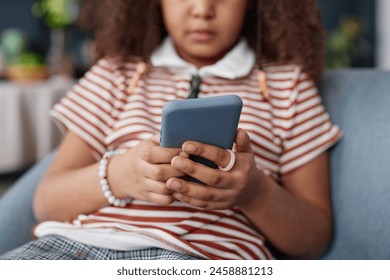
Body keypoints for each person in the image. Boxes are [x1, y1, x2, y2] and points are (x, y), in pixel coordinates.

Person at [0, 0, 341, 260]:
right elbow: (47, 202)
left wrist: (256, 194)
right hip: (80, 249)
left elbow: (313, 238)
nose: (203, 9)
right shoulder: (117, 74)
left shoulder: (287, 87)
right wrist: (120, 175)